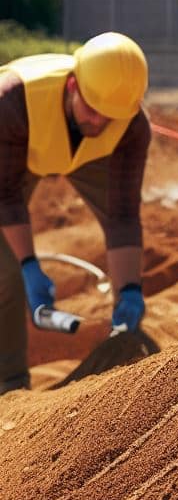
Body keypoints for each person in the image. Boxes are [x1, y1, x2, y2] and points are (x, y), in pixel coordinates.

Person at [0, 32, 151, 395]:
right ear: (72, 84)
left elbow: (123, 215)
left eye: (110, 116)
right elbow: (4, 194)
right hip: (18, 144)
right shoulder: (12, 101)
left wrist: (129, 288)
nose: (99, 122)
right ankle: (10, 384)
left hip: (88, 157)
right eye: (92, 108)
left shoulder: (130, 127)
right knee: (5, 270)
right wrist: (28, 265)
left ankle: (124, 341)